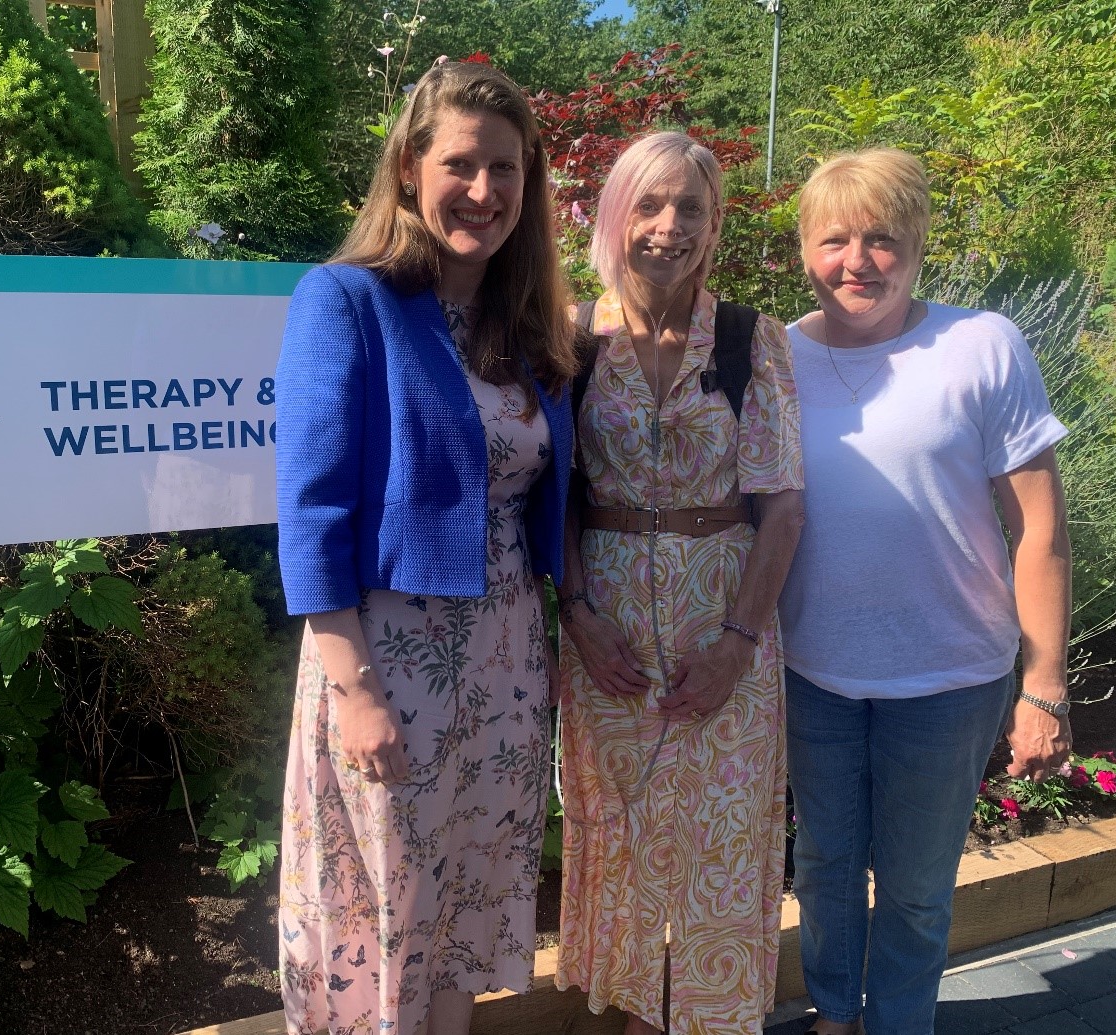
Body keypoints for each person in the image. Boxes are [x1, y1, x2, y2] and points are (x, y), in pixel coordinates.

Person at [274, 60, 576, 1035]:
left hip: (507, 663)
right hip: (391, 663)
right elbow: (311, 506)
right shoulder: (347, 301)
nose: (483, 192)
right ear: (410, 168)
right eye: (460, 164)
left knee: (466, 902)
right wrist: (354, 690)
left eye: (505, 170)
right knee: (385, 905)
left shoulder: (523, 328)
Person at [778, 147, 1072, 1035]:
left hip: (948, 677)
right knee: (824, 864)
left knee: (913, 885)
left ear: (917, 244)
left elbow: (1043, 530)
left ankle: (901, 1021)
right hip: (813, 669)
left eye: (883, 239)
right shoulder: (778, 358)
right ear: (804, 249)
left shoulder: (981, 345)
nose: (858, 260)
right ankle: (834, 1012)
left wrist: (1046, 682)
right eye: (834, 239)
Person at [555, 131, 806, 1035]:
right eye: (648, 205)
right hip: (607, 643)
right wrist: (576, 612)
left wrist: (738, 645)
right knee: (619, 846)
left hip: (725, 639)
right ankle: (634, 1020)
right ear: (616, 216)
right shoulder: (574, 337)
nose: (668, 226)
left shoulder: (750, 341)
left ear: (714, 224)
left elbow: (782, 508)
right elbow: (559, 497)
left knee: (721, 849)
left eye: (690, 208)